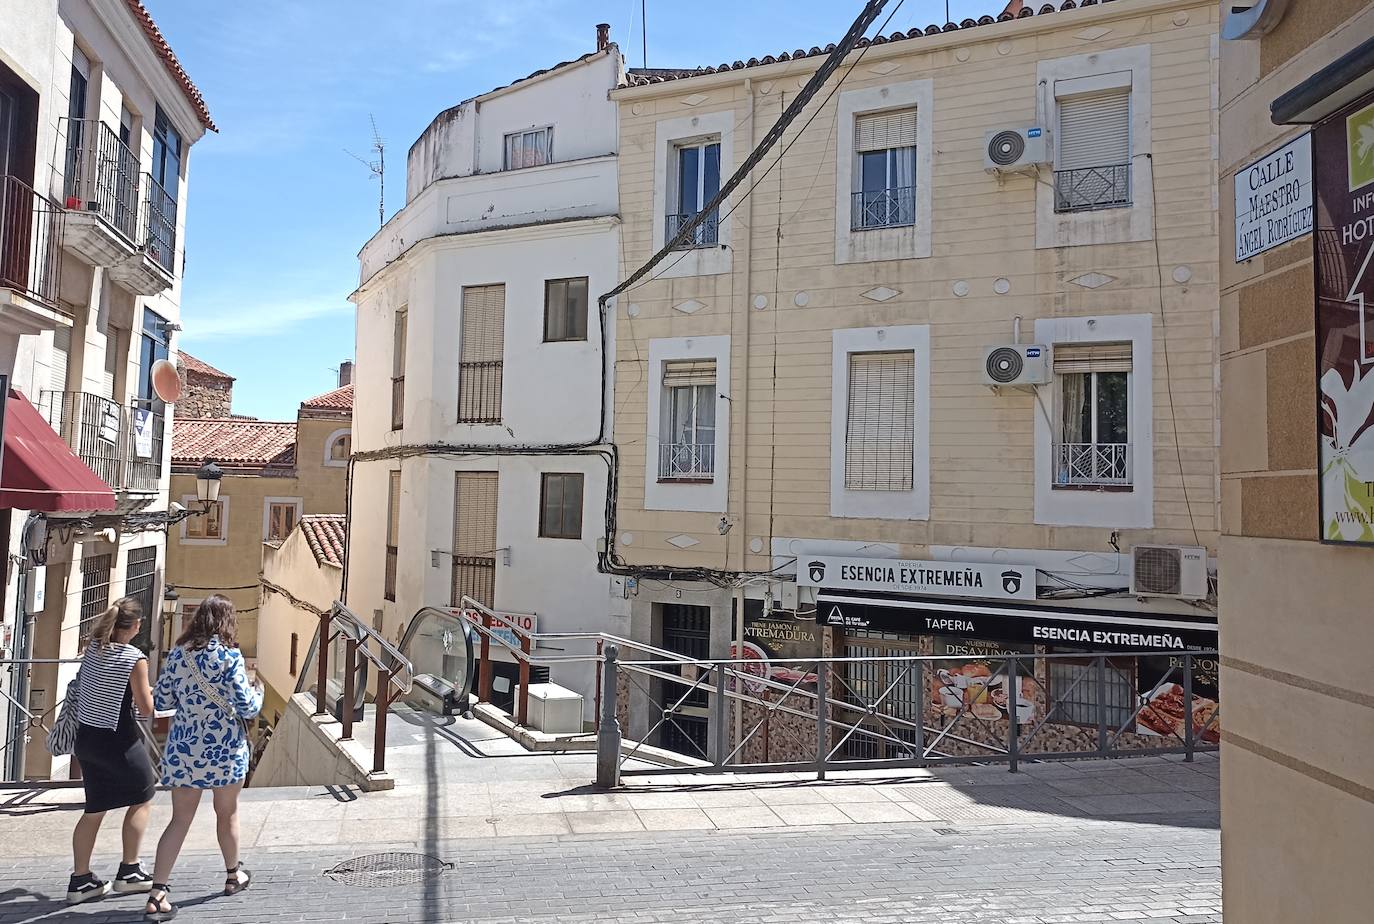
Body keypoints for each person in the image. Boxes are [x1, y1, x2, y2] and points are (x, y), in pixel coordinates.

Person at [144, 595, 262, 922]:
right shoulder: (230, 657)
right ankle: (232, 876)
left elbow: (162, 701)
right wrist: (259, 692)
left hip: (184, 751)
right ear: (226, 621)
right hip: (225, 751)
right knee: (227, 815)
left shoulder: (178, 656)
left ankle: (157, 892)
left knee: (179, 820)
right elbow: (248, 707)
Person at [67, 597, 157, 904]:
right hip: (117, 739)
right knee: (143, 796)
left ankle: (80, 880)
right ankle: (129, 871)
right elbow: (146, 708)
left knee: (94, 809)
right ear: (135, 626)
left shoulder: (93, 648)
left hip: (86, 739)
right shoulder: (134, 658)